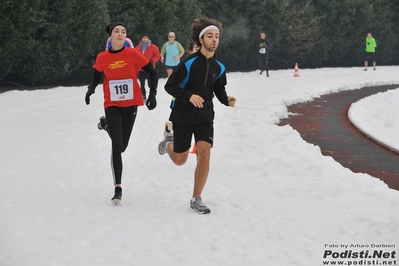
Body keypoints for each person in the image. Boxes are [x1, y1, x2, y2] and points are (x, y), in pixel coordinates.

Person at [157, 17, 237, 214]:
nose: (214, 40)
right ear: (201, 40)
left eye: (217, 36)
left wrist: (226, 100)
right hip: (183, 115)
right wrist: (189, 96)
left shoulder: (220, 67)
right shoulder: (188, 63)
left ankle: (196, 198)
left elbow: (218, 88)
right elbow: (170, 86)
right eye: (210, 36)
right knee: (180, 160)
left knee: (204, 154)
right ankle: (169, 143)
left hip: (205, 117)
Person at [85, 22, 158, 204]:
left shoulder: (133, 54)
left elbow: (152, 72)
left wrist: (152, 94)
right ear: (110, 36)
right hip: (112, 104)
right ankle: (118, 188)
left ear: (126, 37)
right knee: (116, 145)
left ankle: (105, 125)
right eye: (116, 31)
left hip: (131, 104)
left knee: (123, 146)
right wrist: (91, 89)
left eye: (123, 31)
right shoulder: (102, 57)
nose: (120, 34)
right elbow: (97, 74)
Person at [135, 33, 160, 100]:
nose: (145, 39)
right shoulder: (138, 47)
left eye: (146, 38)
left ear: (148, 39)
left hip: (149, 69)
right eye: (144, 38)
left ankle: (152, 95)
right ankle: (143, 96)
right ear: (141, 39)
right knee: (142, 84)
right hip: (141, 69)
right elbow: (134, 55)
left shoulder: (153, 47)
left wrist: (152, 61)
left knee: (150, 84)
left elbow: (157, 55)